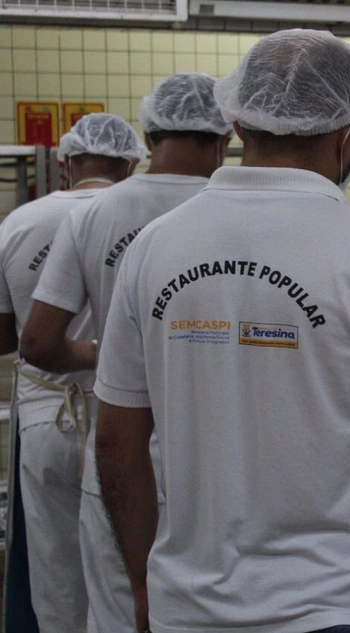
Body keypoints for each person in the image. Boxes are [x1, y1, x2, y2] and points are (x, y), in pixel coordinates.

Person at [91, 29, 350, 633]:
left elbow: (115, 444)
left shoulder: (152, 250)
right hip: (337, 606)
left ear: (239, 123)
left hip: (189, 608)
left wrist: (143, 585)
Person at [20, 72, 232, 633]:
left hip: (119, 450)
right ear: (224, 137)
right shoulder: (239, 212)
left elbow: (38, 342)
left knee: (119, 608)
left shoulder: (91, 215)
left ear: (148, 132)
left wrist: (105, 355)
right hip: (220, 456)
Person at [0, 113, 145, 633]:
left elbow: (8, 337)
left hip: (45, 416)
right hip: (126, 419)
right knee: (126, 571)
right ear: (131, 163)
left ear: (65, 163)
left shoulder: (19, 223)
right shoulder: (137, 220)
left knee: (57, 573)